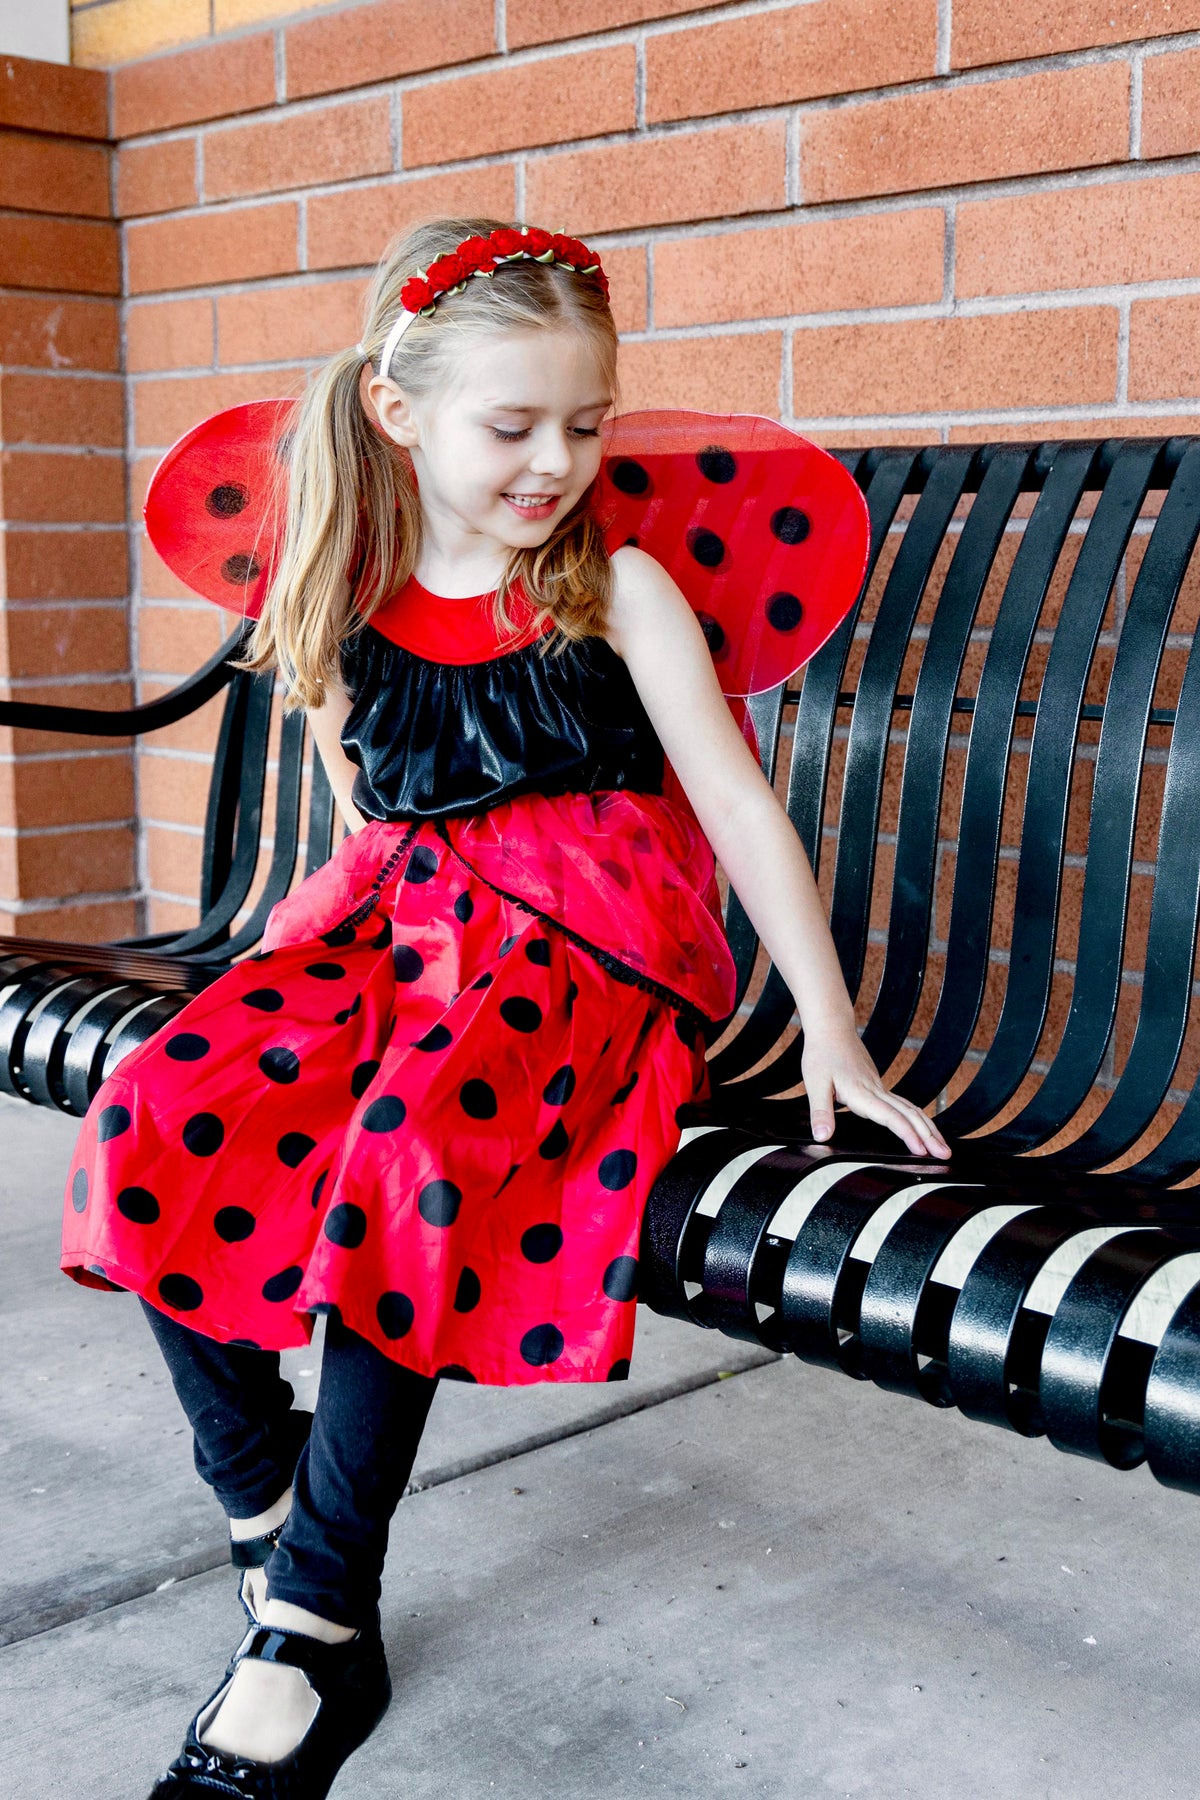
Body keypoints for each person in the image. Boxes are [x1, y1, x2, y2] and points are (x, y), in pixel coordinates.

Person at [61, 215, 951, 1799]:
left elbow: (736, 807)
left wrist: (830, 1026)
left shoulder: (615, 587)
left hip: (588, 947)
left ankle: (317, 1621)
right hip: (406, 930)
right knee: (164, 1100)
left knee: (408, 1146)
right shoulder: (345, 594)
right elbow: (365, 809)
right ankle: (267, 1501)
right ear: (398, 411)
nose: (557, 463)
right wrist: (315, 979)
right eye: (515, 425)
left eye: (587, 426)